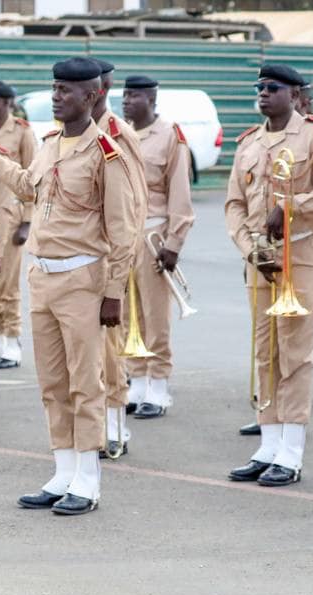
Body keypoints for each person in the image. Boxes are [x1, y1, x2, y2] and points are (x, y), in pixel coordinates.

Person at [0, 56, 133, 515]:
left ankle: (88, 479)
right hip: (44, 276)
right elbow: (27, 186)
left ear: (92, 96)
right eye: (54, 88)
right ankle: (63, 470)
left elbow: (124, 230)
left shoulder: (106, 152)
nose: (56, 96)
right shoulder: (50, 143)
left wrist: (114, 292)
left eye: (66, 90)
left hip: (83, 278)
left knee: (86, 382)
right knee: (52, 382)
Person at [225, 63, 313, 487]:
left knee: (296, 355)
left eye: (273, 87)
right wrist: (248, 249)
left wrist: (293, 205)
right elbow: (234, 204)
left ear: (295, 95)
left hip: (299, 254)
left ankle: (292, 452)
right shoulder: (249, 141)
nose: (263, 93)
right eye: (259, 87)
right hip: (260, 260)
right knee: (264, 353)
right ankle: (268, 443)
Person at [120, 75, 195, 419]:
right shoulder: (118, 132)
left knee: (155, 315)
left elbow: (179, 193)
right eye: (124, 95)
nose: (126, 101)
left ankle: (159, 385)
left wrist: (174, 242)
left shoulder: (170, 136)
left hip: (153, 234)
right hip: (121, 236)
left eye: (134, 95)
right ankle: (135, 380)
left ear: (151, 99)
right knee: (125, 313)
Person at [91, 59, 145, 458]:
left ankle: (114, 428)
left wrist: (120, 268)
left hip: (110, 256)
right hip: (76, 259)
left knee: (109, 349)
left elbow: (134, 202)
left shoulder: (117, 134)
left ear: (101, 87)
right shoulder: (65, 133)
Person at [0, 79, 36, 384]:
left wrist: (28, 221)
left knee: (7, 285)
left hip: (11, 217)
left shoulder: (22, 132)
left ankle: (10, 341)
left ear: (7, 102)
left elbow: (32, 178)